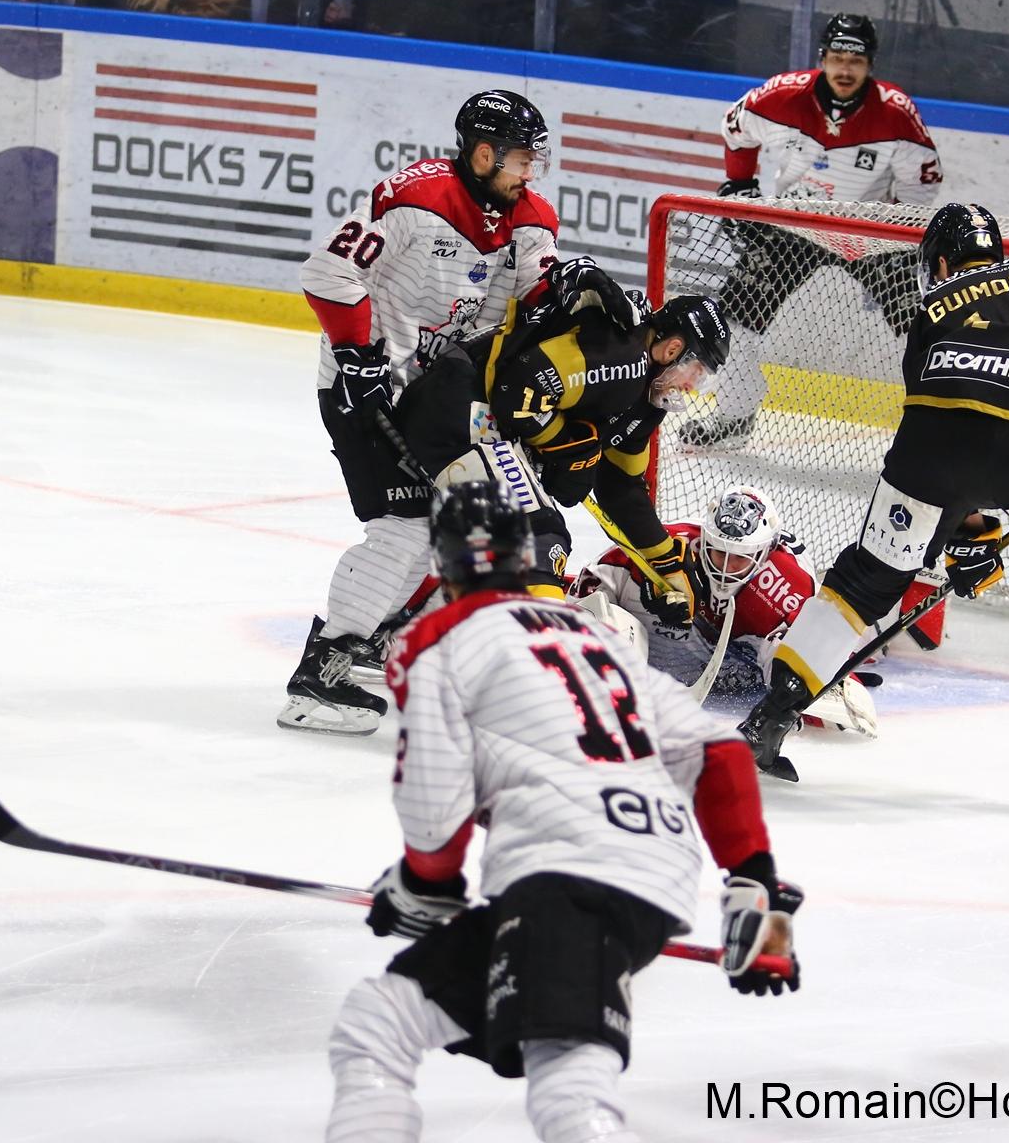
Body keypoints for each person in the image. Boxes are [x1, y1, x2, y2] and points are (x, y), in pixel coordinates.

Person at [324, 480, 801, 1141]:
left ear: (443, 563)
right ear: (525, 560)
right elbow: (716, 751)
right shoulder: (587, 634)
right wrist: (755, 890)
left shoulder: (438, 636)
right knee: (381, 1020)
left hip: (572, 875)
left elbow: (435, 791)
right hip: (643, 868)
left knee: (569, 1091)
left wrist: (424, 883)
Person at [739, 203, 1009, 814]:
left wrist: (965, 532)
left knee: (864, 582)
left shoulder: (929, 312)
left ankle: (770, 716)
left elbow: (960, 430)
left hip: (928, 450)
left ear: (941, 262)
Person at [278, 90, 561, 737]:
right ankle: (318, 675)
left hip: (436, 398)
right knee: (403, 527)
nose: (529, 172)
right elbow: (327, 274)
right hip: (365, 390)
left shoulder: (528, 216)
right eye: (521, 158)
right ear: (483, 153)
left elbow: (530, 299)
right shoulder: (415, 200)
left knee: (441, 524)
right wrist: (358, 360)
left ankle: (374, 635)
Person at [686, 12, 943, 449]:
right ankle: (734, 416)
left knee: (925, 329)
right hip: (797, 226)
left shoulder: (895, 112)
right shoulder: (782, 95)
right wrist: (741, 187)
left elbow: (925, 181)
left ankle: (938, 435)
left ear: (871, 65)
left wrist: (893, 230)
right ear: (822, 57)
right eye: (838, 57)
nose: (845, 69)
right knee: (733, 317)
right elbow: (735, 128)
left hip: (870, 234)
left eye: (856, 61)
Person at [391, 282, 728, 611]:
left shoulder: (646, 401)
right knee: (538, 537)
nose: (693, 388)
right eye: (697, 373)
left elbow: (621, 486)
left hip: (467, 417)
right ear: (673, 350)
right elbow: (516, 393)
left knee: (448, 537)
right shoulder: (623, 357)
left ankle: (409, 631)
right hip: (458, 408)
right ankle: (542, 656)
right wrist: (567, 445)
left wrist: (666, 557)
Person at [570, 484, 880, 755]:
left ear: (764, 552)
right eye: (719, 553)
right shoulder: (666, 546)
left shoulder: (787, 583)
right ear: (705, 538)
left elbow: (809, 651)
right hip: (654, 665)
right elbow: (586, 593)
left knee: (824, 702)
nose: (726, 567)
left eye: (740, 557)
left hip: (740, 675)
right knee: (598, 622)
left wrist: (814, 685)